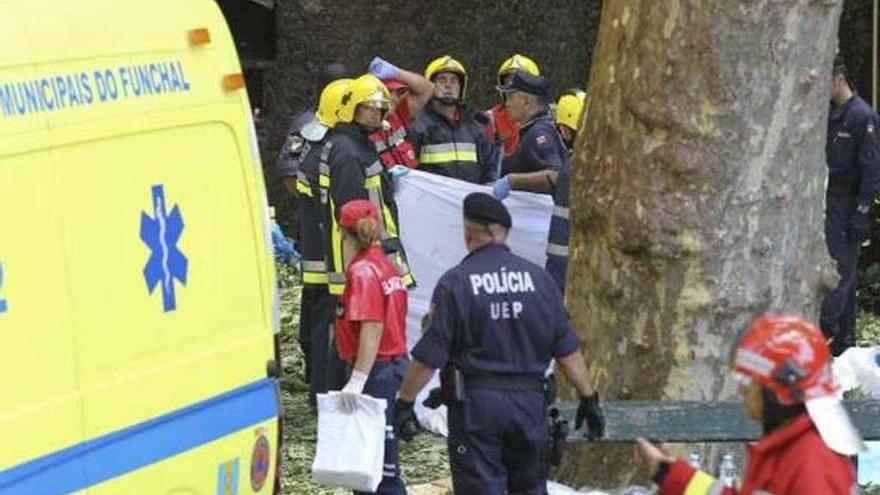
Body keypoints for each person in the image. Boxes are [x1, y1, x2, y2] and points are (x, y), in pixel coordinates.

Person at [393, 193, 605, 495]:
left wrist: (404, 402)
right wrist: (589, 398)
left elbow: (429, 358)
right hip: (530, 407)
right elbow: (567, 352)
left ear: (468, 235)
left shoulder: (456, 283)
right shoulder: (541, 281)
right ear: (506, 233)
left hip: (476, 409)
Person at [637, 315, 863, 495]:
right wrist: (670, 474)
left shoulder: (811, 460)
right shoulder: (788, 446)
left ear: (779, 389)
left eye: (748, 381)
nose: (740, 390)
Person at [274, 78, 351, 402]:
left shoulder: (333, 144)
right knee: (326, 323)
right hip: (332, 252)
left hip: (326, 249)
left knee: (320, 323)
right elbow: (292, 177)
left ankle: (320, 387)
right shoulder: (321, 142)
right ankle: (323, 389)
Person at [335, 199, 409, 495]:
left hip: (376, 371)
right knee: (382, 461)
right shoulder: (386, 265)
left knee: (373, 468)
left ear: (344, 233)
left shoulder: (363, 272)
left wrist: (357, 379)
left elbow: (372, 325)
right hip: (391, 367)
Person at [319, 73, 416, 299]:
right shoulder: (348, 151)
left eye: (380, 109)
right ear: (352, 108)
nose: (375, 114)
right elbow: (353, 216)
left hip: (372, 255)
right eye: (369, 108)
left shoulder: (359, 144)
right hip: (361, 261)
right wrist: (368, 261)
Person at [820, 57, 880, 356]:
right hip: (831, 201)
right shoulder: (833, 114)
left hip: (848, 204)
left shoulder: (861, 116)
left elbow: (871, 170)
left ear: (838, 78)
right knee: (847, 273)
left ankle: (824, 335)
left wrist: (862, 212)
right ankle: (845, 344)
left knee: (838, 274)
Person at [491, 71, 572, 293]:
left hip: (549, 236)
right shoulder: (534, 129)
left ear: (526, 102)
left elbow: (556, 175)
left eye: (510, 97)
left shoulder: (539, 133)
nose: (506, 104)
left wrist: (512, 181)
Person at [407, 55, 499, 184]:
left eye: (454, 81)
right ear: (430, 85)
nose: (448, 86)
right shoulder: (417, 124)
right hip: (430, 200)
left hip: (469, 199)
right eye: (442, 80)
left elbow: (489, 169)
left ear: (462, 87)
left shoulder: (475, 124)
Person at [366, 57, 434, 172]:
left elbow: (428, 88)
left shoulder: (398, 115)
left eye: (396, 92)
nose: (394, 97)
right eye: (387, 91)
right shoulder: (362, 126)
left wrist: (396, 72)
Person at [484, 54, 542, 161]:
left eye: (520, 82)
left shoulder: (548, 119)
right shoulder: (490, 120)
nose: (512, 88)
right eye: (508, 83)